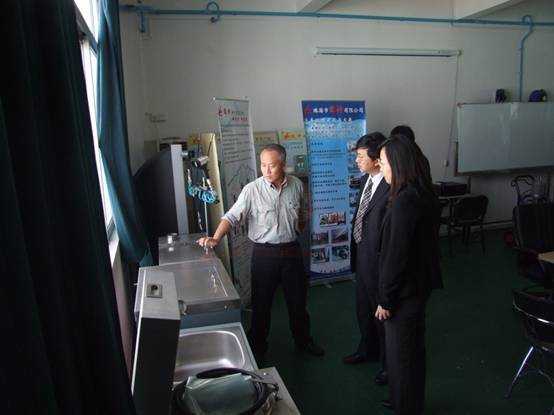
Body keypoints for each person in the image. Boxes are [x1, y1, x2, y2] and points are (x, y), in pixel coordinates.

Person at [197, 144, 324, 358]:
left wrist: (298, 226)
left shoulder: (296, 185)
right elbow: (231, 216)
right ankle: (257, 346)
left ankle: (303, 341)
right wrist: (216, 238)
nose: (266, 170)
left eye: (271, 165)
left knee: (298, 302)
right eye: (263, 165)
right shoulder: (252, 190)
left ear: (283, 164)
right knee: (261, 304)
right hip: (264, 254)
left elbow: (302, 212)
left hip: (291, 252)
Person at [376, 135, 443, 414]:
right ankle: (406, 401)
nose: (380, 167)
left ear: (398, 163)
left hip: (404, 293)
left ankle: (405, 406)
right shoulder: (422, 192)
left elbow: (396, 256)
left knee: (401, 357)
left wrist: (386, 299)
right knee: (411, 352)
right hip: (418, 286)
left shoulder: (405, 201)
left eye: (383, 162)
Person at [344, 132, 390, 387]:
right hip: (362, 253)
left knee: (381, 313)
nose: (357, 161)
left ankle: (388, 364)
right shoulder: (366, 181)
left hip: (379, 258)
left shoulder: (390, 186)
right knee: (363, 307)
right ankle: (367, 349)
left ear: (376, 159)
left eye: (361, 157)